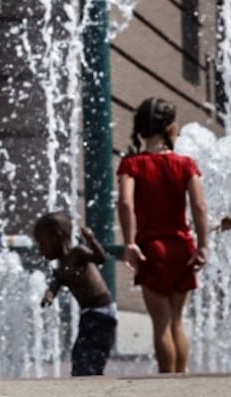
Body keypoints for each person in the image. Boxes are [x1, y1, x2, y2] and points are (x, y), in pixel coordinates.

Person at [116, 95, 212, 374]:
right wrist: (203, 245)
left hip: (152, 249)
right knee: (177, 321)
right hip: (182, 247)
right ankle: (181, 382)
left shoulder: (132, 165)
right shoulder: (186, 164)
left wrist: (130, 243)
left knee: (161, 323)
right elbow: (199, 205)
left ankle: (166, 386)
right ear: (171, 129)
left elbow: (125, 203)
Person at [31, 210, 116, 376]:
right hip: (89, 314)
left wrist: (91, 240)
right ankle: (87, 382)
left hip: (101, 312)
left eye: (42, 243)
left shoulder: (78, 253)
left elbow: (101, 259)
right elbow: (55, 284)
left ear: (58, 236)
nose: (41, 250)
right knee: (80, 356)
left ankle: (92, 383)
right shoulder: (61, 268)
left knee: (90, 356)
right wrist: (49, 295)